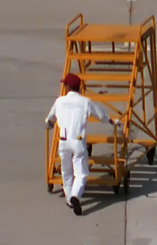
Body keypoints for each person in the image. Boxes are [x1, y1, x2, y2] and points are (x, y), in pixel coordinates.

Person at [45, 73, 119, 215]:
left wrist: (49, 125)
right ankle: (75, 196)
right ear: (79, 88)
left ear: (67, 87)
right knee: (81, 173)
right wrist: (113, 121)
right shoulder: (86, 102)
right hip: (78, 141)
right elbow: (102, 116)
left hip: (63, 141)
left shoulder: (59, 101)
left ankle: (68, 198)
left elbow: (50, 120)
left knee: (66, 171)